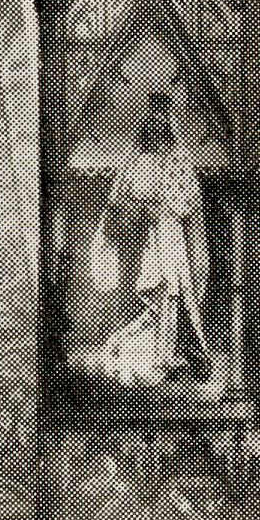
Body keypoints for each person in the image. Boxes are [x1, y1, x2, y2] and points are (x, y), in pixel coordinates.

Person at [87, 90, 214, 390]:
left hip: (172, 237)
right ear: (147, 130)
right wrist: (139, 209)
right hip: (144, 240)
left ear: (169, 130)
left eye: (163, 126)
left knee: (173, 292)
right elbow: (120, 201)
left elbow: (189, 202)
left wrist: (166, 198)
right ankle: (155, 356)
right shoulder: (137, 163)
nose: (159, 134)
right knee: (157, 291)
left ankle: (169, 355)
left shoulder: (179, 163)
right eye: (153, 126)